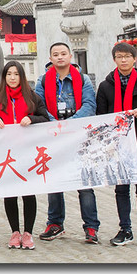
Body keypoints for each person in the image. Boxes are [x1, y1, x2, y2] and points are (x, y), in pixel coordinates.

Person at [97, 42, 137, 249]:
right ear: (114, 59)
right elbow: (100, 117)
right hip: (117, 145)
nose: (123, 60)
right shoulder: (106, 86)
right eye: (119, 56)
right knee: (121, 190)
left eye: (127, 56)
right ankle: (125, 229)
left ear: (135, 59)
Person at [33, 42, 100, 244]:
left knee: (85, 183)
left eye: (63, 53)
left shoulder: (83, 79)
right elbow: (39, 106)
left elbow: (90, 104)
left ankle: (91, 226)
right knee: (54, 181)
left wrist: (69, 125)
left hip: (79, 136)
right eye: (56, 54)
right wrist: (55, 124)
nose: (60, 57)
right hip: (53, 137)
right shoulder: (43, 80)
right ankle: (55, 223)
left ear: (70, 56)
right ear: (50, 58)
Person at [0, 61, 51, 250]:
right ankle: (15, 232)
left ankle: (28, 233)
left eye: (16, 74)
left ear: (21, 76)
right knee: (10, 193)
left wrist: (32, 118)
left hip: (28, 152)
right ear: (4, 78)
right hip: (7, 154)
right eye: (9, 74)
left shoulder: (33, 98)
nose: (12, 78)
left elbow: (45, 118)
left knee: (28, 193)